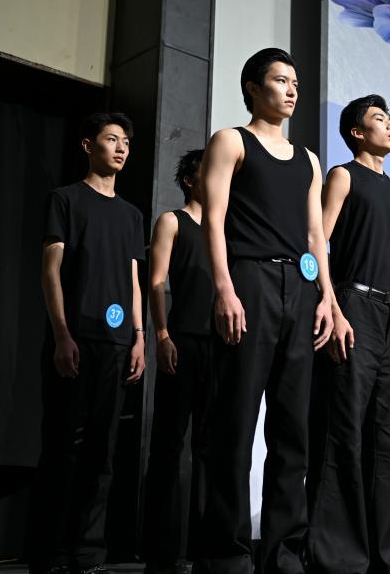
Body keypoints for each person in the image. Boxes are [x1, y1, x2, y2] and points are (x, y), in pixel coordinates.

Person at [195, 48, 334, 574]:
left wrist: (327, 297)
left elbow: (316, 235)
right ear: (253, 88)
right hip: (248, 280)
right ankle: (226, 552)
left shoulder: (309, 160)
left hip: (299, 287)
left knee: (292, 428)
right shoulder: (232, 141)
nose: (292, 90)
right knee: (234, 422)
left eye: (295, 81)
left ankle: (283, 552)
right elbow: (213, 219)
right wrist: (224, 289)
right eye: (280, 80)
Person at [307, 94, 390, 574]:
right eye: (380, 119)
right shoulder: (343, 175)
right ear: (357, 132)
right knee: (345, 429)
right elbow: (319, 241)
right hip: (351, 303)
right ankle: (338, 557)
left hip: (389, 314)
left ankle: (389, 554)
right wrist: (331, 304)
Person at [27, 112, 145, 574]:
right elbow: (50, 271)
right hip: (75, 338)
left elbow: (133, 281)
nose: (121, 148)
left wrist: (139, 338)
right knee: (63, 448)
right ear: (88, 145)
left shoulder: (132, 215)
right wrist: (61, 334)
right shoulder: (66, 199)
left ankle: (88, 553)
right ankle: (50, 552)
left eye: (125, 142)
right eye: (111, 139)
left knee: (103, 450)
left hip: (116, 344)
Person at [142, 149, 215, 574]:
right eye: (209, 171)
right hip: (182, 340)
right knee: (169, 445)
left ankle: (205, 549)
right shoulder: (173, 221)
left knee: (210, 448)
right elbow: (156, 282)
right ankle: (161, 553)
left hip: (219, 346)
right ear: (190, 180)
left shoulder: (225, 228)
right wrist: (162, 335)